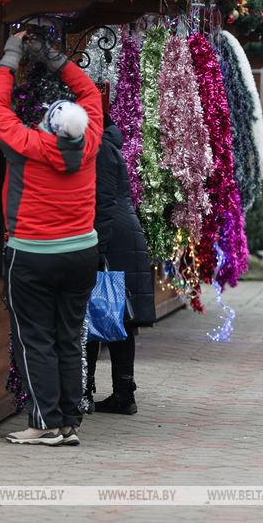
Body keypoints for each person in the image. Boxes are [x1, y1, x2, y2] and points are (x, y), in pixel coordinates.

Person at [0, 32, 103, 445]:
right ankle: (69, 421)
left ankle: (45, 423)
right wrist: (54, 59)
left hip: (32, 255)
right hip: (82, 253)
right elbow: (89, 92)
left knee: (35, 339)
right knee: (69, 337)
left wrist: (12, 56)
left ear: (48, 125)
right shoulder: (90, 142)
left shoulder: (27, 146)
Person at [85, 113, 156, 416]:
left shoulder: (99, 148)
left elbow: (101, 200)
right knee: (118, 317)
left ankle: (85, 391)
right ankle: (123, 393)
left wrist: (96, 249)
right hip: (123, 233)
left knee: (94, 311)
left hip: (112, 236)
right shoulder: (110, 144)